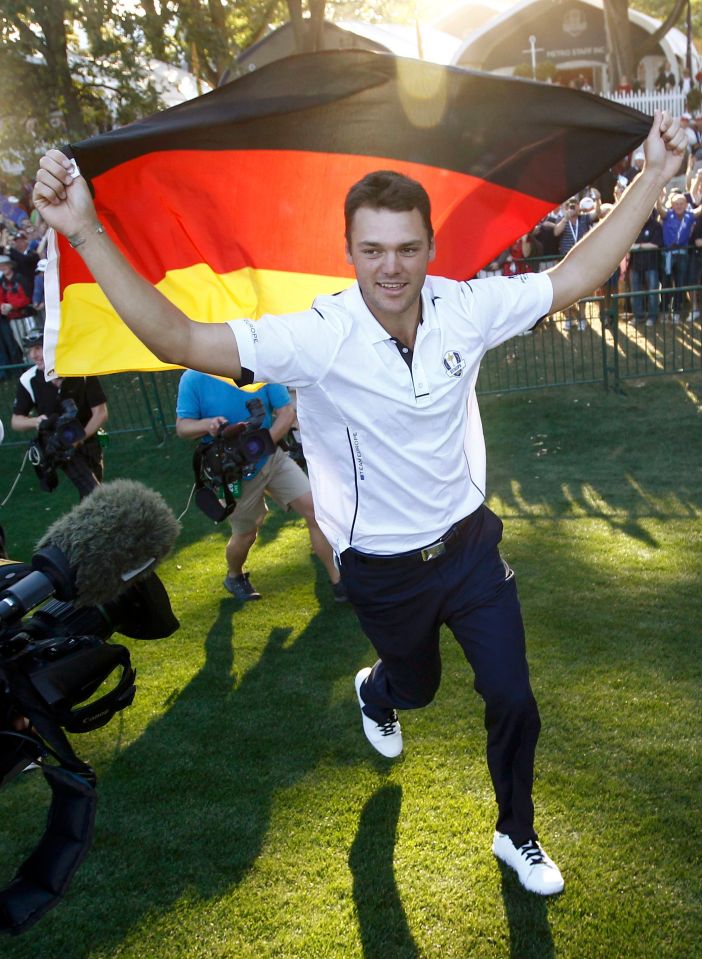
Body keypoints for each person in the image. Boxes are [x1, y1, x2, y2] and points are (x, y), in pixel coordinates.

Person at [32, 111, 686, 896]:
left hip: (471, 547)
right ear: (347, 252)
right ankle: (379, 690)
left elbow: (575, 275)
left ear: (430, 247)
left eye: (408, 248)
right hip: (382, 567)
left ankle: (518, 832)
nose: (392, 267)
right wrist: (84, 230)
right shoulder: (316, 335)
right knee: (417, 687)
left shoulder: (467, 306)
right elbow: (177, 338)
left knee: (514, 695)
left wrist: (652, 176)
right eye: (372, 249)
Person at [176, 371, 347, 602]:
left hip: (271, 457)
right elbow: (183, 427)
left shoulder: (257, 366)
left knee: (316, 512)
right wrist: (208, 424)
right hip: (233, 472)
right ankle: (234, 576)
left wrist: (263, 444)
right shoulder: (193, 378)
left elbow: (286, 412)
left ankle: (339, 581)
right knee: (246, 534)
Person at [11, 329, 107, 498]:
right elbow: (16, 421)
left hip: (89, 438)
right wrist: (36, 421)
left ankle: (87, 523)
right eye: (30, 350)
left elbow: (100, 413)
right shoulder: (28, 380)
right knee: (94, 492)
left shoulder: (82, 370)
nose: (33, 355)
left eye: (38, 348)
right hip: (59, 445)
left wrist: (80, 438)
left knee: (92, 492)